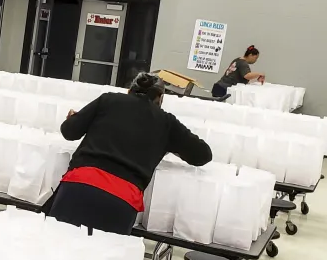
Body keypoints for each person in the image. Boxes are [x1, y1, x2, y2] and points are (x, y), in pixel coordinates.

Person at [45, 72, 212, 235]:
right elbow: (203, 155)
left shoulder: (108, 100)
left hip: (79, 185)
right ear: (160, 98)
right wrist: (170, 144)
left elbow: (69, 132)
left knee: (59, 249)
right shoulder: (167, 123)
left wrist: (72, 119)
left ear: (129, 91)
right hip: (122, 199)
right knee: (104, 258)